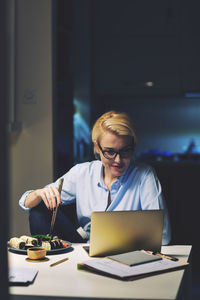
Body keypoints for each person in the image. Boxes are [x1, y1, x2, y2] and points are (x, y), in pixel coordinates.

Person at [19, 111, 171, 244]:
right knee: (39, 210)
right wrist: (38, 194)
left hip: (130, 249)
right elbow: (25, 202)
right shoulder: (82, 173)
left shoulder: (144, 175)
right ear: (97, 148)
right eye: (109, 152)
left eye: (125, 151)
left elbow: (162, 235)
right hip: (86, 247)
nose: (118, 160)